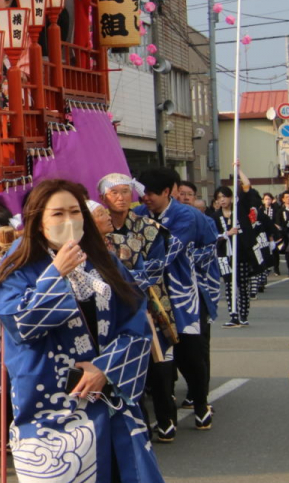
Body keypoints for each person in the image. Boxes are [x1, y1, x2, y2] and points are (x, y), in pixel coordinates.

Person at [0, 179, 164, 483]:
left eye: (75, 212)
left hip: (107, 395)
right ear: (37, 221)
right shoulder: (17, 265)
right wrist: (55, 273)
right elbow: (21, 324)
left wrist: (105, 368)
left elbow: (136, 320)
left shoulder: (103, 260)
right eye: (57, 214)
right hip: (51, 410)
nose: (69, 221)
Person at [97, 173, 180, 443]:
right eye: (114, 193)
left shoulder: (148, 227)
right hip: (110, 303)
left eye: (125, 191)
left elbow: (155, 267)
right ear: (103, 199)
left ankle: (167, 418)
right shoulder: (95, 231)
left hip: (147, 300)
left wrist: (125, 283)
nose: (121, 198)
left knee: (158, 359)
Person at [135, 166, 219, 430]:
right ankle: (165, 416)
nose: (146, 198)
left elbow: (169, 252)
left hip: (182, 293)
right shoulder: (137, 214)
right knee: (160, 357)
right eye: (143, 192)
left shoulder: (187, 216)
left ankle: (201, 403)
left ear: (167, 192)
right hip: (152, 294)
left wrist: (135, 269)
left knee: (191, 353)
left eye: (151, 193)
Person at [206, 186, 256, 328]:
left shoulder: (239, 212)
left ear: (230, 197)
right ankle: (233, 315)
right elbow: (211, 236)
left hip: (241, 254)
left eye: (224, 196)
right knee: (229, 285)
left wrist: (238, 170)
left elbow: (247, 191)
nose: (222, 200)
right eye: (219, 197)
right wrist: (226, 234)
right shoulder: (214, 217)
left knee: (242, 285)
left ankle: (243, 315)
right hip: (224, 255)